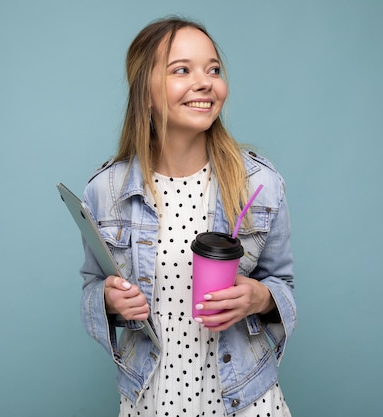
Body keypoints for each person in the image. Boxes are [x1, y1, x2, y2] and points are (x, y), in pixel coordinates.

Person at [79, 16, 296, 417]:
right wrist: (109, 300)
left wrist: (259, 297)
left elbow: (281, 284)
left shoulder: (259, 184)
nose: (205, 81)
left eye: (213, 69)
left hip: (247, 402)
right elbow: (93, 287)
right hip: (152, 401)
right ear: (145, 92)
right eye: (182, 70)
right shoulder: (105, 191)